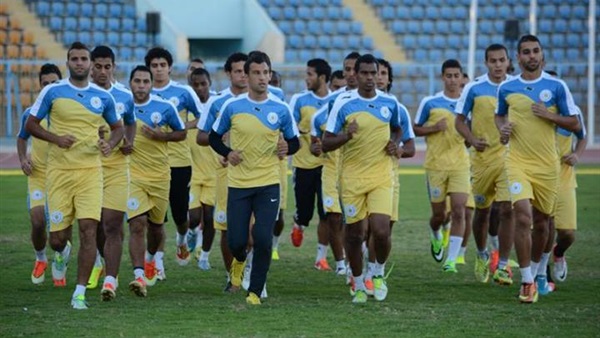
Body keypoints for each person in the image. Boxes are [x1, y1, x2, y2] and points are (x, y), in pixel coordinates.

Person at [25, 42, 124, 309]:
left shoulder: (103, 98)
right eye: (74, 59)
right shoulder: (52, 91)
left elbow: (118, 128)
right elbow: (30, 124)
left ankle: (79, 292)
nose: (79, 63)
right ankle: (60, 254)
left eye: (83, 59)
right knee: (58, 238)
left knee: (88, 230)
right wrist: (55, 138)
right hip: (58, 174)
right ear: (68, 62)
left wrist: (110, 144)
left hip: (91, 172)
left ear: (90, 64)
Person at [209, 51, 299, 305]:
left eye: (266, 73)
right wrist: (228, 152)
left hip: (268, 183)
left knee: (262, 237)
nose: (263, 78)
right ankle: (238, 261)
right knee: (236, 240)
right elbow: (214, 138)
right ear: (247, 76)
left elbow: (295, 142)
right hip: (238, 184)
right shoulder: (232, 107)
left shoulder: (281, 108)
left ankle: (255, 291)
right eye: (257, 73)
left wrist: (286, 148)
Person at [495, 34, 580, 303]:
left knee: (543, 224)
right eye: (526, 52)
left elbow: (575, 124)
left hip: (548, 165)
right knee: (522, 216)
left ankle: (538, 269)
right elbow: (499, 115)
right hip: (517, 162)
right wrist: (502, 128)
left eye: (535, 51)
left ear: (541, 55)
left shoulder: (556, 86)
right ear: (518, 58)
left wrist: (550, 116)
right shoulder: (507, 88)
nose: (531, 56)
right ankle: (527, 281)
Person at [322, 54, 403, 303]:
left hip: (381, 176)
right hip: (352, 179)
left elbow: (398, 128)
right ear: (355, 75)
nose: (371, 78)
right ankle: (358, 283)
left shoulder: (389, 103)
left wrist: (394, 143)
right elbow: (326, 143)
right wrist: (347, 135)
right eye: (365, 73)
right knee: (355, 235)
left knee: (381, 230)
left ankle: (377, 273)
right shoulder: (343, 104)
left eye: (374, 73)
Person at [454, 44, 515, 285]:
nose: (498, 65)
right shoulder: (474, 88)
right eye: (493, 61)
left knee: (507, 210)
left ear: (508, 61)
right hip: (481, 161)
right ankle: (481, 254)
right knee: (482, 212)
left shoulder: (516, 87)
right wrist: (471, 139)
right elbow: (459, 121)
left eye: (502, 60)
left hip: (509, 159)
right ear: (486, 63)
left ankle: (502, 265)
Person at [126, 65, 186, 297]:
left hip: (161, 176)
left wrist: (162, 136)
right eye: (137, 81)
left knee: (157, 227)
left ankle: (151, 258)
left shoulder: (165, 107)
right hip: (133, 176)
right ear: (130, 83)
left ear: (151, 84)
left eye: (145, 81)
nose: (141, 86)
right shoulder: (122, 106)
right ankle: (139, 275)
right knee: (137, 223)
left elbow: (181, 133)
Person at [144, 47, 203, 275]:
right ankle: (157, 263)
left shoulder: (183, 91)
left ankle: (180, 240)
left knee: (180, 214)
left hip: (179, 161)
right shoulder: (142, 93)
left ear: (169, 67)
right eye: (154, 66)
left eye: (162, 65)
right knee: (155, 217)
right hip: (150, 162)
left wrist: (181, 127)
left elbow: (201, 116)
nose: (158, 70)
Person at [197, 52, 249, 288]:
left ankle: (249, 272)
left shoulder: (265, 100)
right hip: (225, 173)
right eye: (238, 71)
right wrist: (221, 142)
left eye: (246, 70)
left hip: (258, 173)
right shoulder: (217, 103)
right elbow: (201, 136)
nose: (243, 75)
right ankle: (232, 276)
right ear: (228, 74)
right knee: (227, 229)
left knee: (255, 230)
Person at [413, 59, 470, 273]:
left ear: (461, 77)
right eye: (449, 76)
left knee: (459, 210)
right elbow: (415, 129)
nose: (453, 80)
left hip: (460, 165)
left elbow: (469, 130)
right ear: (442, 77)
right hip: (436, 166)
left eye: (456, 76)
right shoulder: (430, 102)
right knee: (439, 215)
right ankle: (436, 233)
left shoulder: (466, 103)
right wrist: (435, 128)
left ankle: (451, 260)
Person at [89, 45, 136, 300]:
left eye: (108, 67)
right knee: (94, 225)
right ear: (90, 66)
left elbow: (130, 121)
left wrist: (129, 142)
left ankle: (110, 280)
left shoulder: (124, 95)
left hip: (117, 167)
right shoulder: (80, 95)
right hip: (88, 167)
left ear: (114, 67)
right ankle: (100, 259)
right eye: (98, 66)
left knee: (112, 223)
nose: (103, 72)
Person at [17, 63, 67, 286]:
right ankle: (40, 259)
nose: (49, 87)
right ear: (40, 86)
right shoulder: (32, 113)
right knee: (37, 221)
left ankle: (60, 255)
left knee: (60, 234)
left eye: (53, 83)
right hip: (38, 175)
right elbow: (21, 138)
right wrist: (22, 158)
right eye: (45, 83)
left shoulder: (69, 113)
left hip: (63, 176)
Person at [288, 58, 332, 269]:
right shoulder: (299, 100)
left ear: (322, 78)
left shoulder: (335, 100)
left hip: (327, 165)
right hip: (304, 164)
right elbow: (290, 126)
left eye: (310, 75)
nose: (306, 79)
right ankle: (299, 224)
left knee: (326, 212)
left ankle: (320, 257)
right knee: (306, 212)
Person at [187, 66, 216, 268]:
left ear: (210, 84)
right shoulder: (187, 109)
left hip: (214, 172)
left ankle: (204, 255)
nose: (199, 88)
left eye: (203, 84)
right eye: (195, 85)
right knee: (194, 216)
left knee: (210, 217)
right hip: (193, 172)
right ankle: (189, 232)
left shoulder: (216, 107)